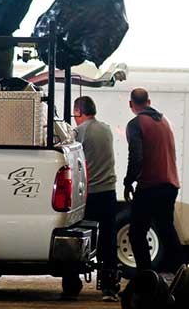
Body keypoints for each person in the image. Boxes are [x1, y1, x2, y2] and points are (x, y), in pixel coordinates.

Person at [124, 88, 184, 273]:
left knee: (136, 233)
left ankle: (145, 275)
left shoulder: (136, 124)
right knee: (166, 229)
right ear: (148, 102)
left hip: (150, 186)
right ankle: (182, 270)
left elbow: (136, 156)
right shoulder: (164, 121)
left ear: (131, 104)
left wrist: (128, 181)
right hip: (170, 185)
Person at [73, 96, 120, 302]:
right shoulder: (106, 128)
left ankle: (72, 281)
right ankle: (109, 287)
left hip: (89, 194)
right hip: (109, 192)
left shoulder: (79, 132)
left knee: (79, 238)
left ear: (78, 112)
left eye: (75, 114)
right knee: (108, 240)